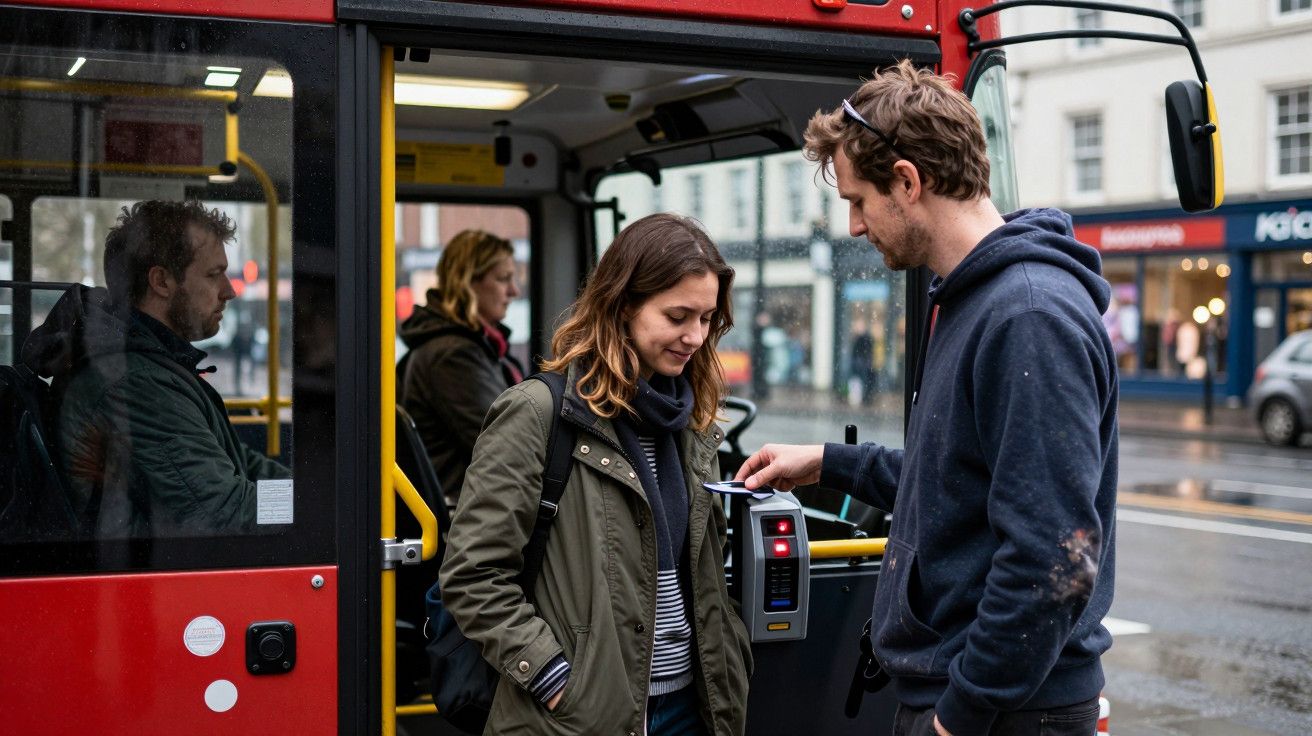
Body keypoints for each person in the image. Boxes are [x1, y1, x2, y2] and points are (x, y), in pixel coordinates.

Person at [735, 61, 1118, 736]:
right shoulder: (975, 300)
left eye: (858, 201)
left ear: (908, 182)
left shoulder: (1028, 315)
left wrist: (958, 718)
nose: (854, 226)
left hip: (1005, 713)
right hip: (975, 699)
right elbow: (956, 481)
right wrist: (829, 462)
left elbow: (1053, 557)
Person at [439, 213, 751, 735]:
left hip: (694, 707)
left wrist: (731, 655)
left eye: (707, 319)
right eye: (677, 316)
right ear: (622, 305)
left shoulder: (692, 424)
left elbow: (700, 569)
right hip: (579, 714)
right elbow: (473, 575)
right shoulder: (537, 413)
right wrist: (554, 678)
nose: (695, 336)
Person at [23, 200, 290, 538]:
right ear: (161, 281)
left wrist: (302, 492)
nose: (230, 290)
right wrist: (310, 506)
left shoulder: (150, 363)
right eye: (213, 274)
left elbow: (238, 460)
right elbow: (225, 511)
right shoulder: (135, 381)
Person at [399, 229, 524, 503]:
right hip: (465, 509)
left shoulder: (479, 347)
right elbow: (506, 442)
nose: (514, 291)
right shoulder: (452, 356)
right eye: (503, 279)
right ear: (468, 282)